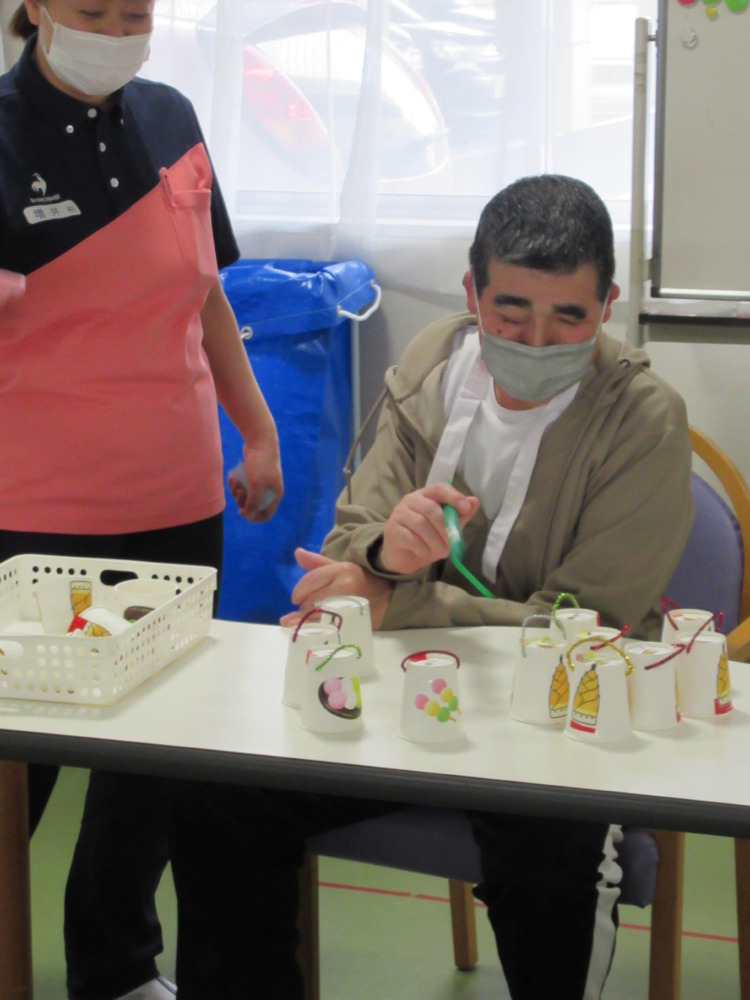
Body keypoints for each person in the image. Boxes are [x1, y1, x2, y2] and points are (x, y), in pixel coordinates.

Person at [169, 174, 694, 1000]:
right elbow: (349, 550)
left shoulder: (644, 419)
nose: (537, 340)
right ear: (471, 294)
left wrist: (396, 596)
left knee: (550, 855)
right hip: (404, 693)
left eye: (570, 317)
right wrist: (386, 555)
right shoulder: (434, 364)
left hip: (557, 722)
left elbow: (582, 629)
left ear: (609, 306)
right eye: (510, 311)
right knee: (218, 795)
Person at [0, 2, 283, 998]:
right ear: (38, 6)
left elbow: (205, 296)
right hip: (38, 510)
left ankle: (116, 963)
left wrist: (257, 430)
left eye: (136, 11)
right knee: (19, 765)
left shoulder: (171, 118)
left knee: (155, 756)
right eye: (92, 9)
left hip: (177, 493)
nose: (116, 29)